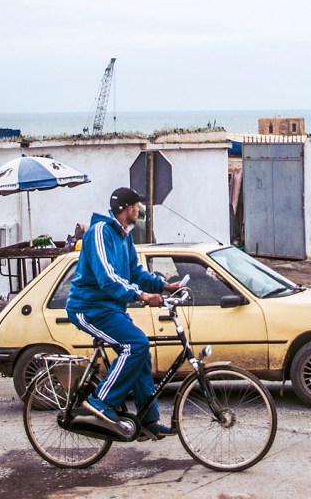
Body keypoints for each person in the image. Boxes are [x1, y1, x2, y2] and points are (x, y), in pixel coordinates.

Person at [66, 187, 181, 440]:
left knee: (141, 352)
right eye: (137, 207)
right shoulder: (100, 232)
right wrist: (141, 296)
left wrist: (163, 286)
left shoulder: (124, 237)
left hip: (111, 309)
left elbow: (135, 273)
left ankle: (147, 422)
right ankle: (98, 403)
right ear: (128, 208)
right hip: (88, 308)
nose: (139, 211)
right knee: (135, 345)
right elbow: (107, 278)